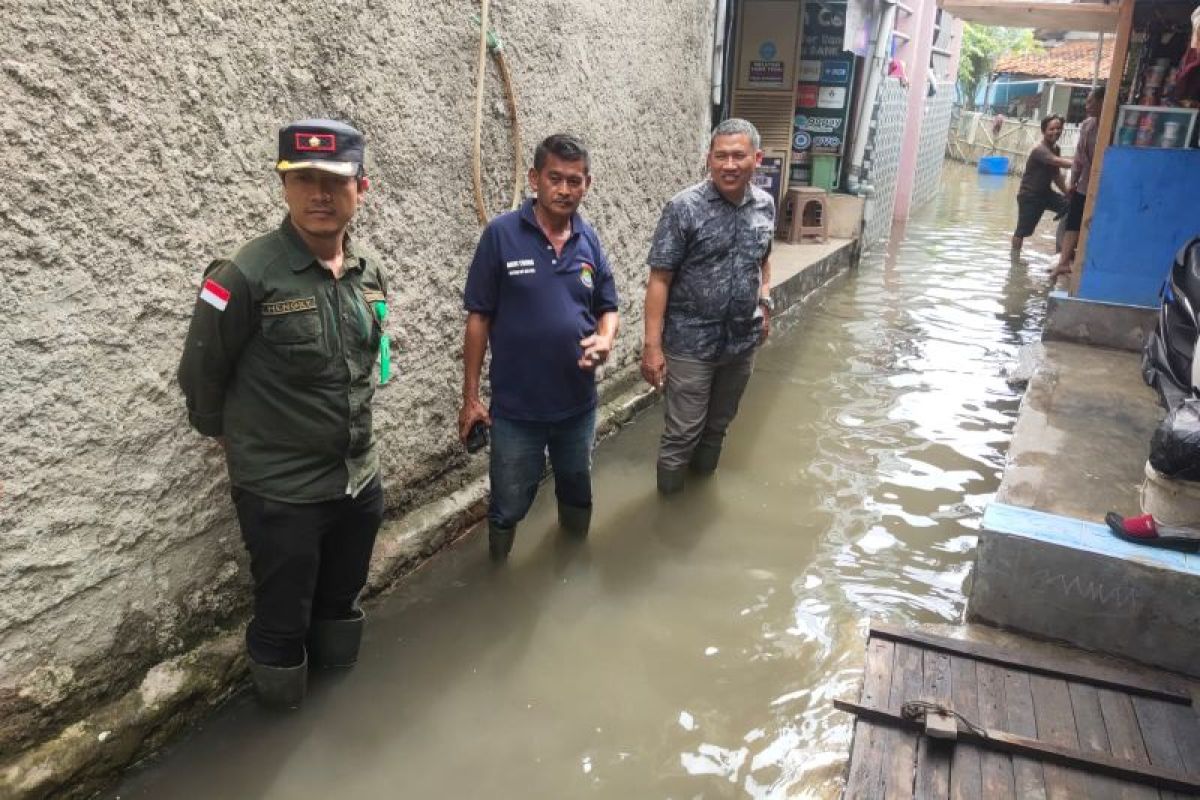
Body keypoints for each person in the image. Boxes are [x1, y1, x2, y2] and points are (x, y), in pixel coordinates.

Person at [178, 120, 388, 709]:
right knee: (281, 621)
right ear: (284, 187)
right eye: (303, 180)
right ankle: (284, 724)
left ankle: (336, 711)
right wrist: (236, 443)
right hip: (282, 493)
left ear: (361, 189)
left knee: (342, 601)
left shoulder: (368, 272)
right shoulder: (244, 274)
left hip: (357, 480)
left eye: (333, 181)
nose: (319, 194)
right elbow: (201, 371)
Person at [458, 134, 620, 561]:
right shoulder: (500, 235)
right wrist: (471, 398)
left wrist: (605, 338)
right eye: (555, 178)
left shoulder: (590, 240)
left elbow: (609, 306)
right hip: (516, 411)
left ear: (588, 183)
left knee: (577, 490)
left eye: (575, 180)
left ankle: (572, 561)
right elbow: (478, 319)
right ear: (534, 179)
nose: (565, 190)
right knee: (508, 503)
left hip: (577, 405)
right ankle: (498, 577)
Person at [641, 118, 775, 494]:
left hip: (740, 343)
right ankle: (667, 511)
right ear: (708, 159)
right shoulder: (683, 208)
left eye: (738, 156)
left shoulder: (764, 206)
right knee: (682, 433)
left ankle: (698, 499)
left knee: (718, 427)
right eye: (720, 156)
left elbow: (763, 261)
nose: (729, 165)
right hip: (690, 344)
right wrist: (652, 346)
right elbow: (659, 279)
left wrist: (765, 301)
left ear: (757, 158)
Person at [1054, 88, 1105, 278]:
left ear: (1103, 102)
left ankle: (1088, 263)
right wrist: (1072, 181)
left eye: (1091, 101)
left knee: (1094, 223)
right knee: (1073, 221)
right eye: (1087, 101)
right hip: (1084, 184)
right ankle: (1063, 262)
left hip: (1104, 185)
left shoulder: (1113, 125)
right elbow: (1079, 158)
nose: (1087, 105)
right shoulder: (1087, 125)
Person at [1011, 114, 1072, 263]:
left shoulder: (1056, 148)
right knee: (1022, 231)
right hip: (1030, 196)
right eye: (1052, 129)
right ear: (1044, 130)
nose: (1055, 131)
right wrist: (1080, 163)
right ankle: (1014, 262)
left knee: (1071, 207)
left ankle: (1061, 252)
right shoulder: (1039, 149)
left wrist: (1067, 193)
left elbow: (1056, 175)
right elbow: (1055, 161)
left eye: (1058, 128)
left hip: (1046, 193)